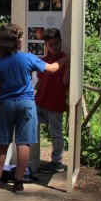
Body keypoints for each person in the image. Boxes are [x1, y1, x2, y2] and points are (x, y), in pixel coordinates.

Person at [0, 24, 67, 193]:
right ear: (17, 41)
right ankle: (18, 182)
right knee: (23, 143)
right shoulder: (28, 58)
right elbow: (52, 69)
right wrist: (67, 59)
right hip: (27, 104)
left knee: (2, 143)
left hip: (6, 105)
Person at [35, 28, 69, 173]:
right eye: (51, 45)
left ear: (60, 42)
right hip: (41, 100)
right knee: (32, 124)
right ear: (46, 45)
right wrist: (33, 94)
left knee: (56, 133)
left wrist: (68, 65)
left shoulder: (64, 59)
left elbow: (65, 81)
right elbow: (40, 81)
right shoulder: (44, 60)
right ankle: (30, 156)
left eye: (56, 44)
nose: (54, 47)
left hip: (55, 102)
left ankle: (57, 162)